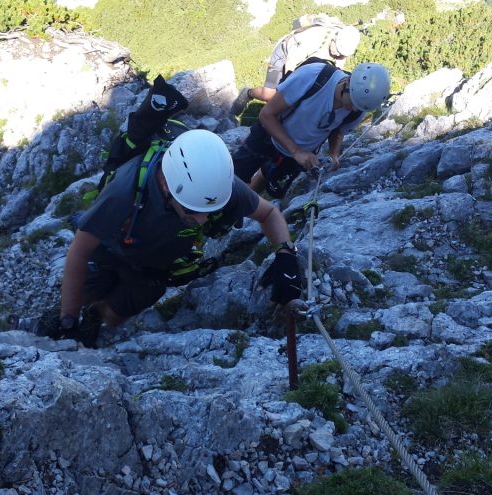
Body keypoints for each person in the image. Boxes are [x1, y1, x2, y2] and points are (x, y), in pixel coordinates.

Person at [41, 129, 303, 344]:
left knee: (114, 315)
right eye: (191, 210)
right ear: (167, 184)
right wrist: (68, 319)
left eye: (209, 211)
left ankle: (95, 316)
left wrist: (286, 256)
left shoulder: (213, 187)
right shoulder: (123, 194)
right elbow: (79, 251)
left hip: (152, 270)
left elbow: (269, 214)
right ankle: (74, 314)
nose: (201, 220)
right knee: (86, 294)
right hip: (109, 253)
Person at [232, 61, 391, 197]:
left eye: (359, 107)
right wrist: (296, 151)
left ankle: (236, 214)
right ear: (347, 82)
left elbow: (338, 131)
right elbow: (266, 115)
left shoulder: (359, 106)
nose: (354, 110)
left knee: (267, 176)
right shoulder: (313, 76)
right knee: (233, 181)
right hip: (268, 136)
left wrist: (333, 154)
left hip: (297, 155)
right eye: (353, 103)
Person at [232, 15, 361, 114]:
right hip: (282, 54)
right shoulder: (313, 38)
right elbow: (290, 65)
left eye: (341, 55)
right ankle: (248, 92)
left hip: (308, 63)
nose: (337, 56)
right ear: (334, 39)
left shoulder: (343, 47)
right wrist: (289, 92)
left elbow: (336, 72)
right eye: (336, 52)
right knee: (270, 95)